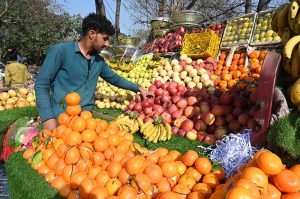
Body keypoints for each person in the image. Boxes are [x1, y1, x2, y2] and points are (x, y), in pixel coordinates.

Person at [35, 13, 153, 131]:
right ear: (92, 34)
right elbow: (42, 84)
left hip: (86, 121)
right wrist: (48, 117)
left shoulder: (98, 60)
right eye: (105, 39)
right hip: (61, 119)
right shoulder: (61, 51)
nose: (107, 44)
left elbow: (114, 78)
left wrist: (139, 88)